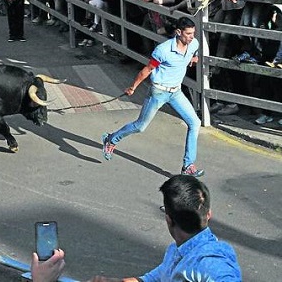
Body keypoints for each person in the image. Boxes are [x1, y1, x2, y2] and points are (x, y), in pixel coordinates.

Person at [32, 175, 242, 282]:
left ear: (168, 220)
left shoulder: (211, 261)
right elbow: (152, 279)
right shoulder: (176, 252)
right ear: (209, 214)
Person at [101, 17, 204, 178]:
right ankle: (111, 139)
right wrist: (133, 87)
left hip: (176, 92)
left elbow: (193, 53)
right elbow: (147, 69)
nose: (191, 37)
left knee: (195, 123)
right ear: (178, 32)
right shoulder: (163, 50)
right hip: (158, 92)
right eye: (188, 34)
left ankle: (188, 165)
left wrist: (193, 59)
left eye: (193, 33)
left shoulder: (194, 44)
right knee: (140, 127)